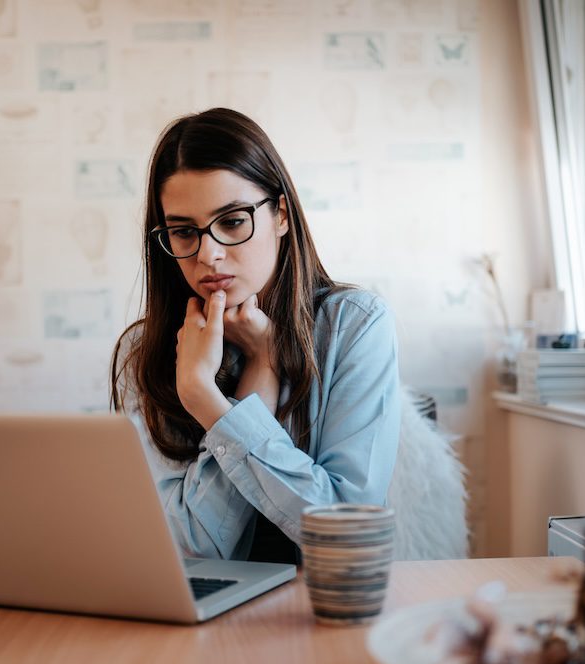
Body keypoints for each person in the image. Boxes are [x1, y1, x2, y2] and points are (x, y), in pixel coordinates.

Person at [111, 108, 401, 563]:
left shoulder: (355, 326)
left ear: (280, 214)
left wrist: (209, 403)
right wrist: (257, 381)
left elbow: (347, 534)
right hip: (200, 622)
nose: (209, 254)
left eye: (231, 221)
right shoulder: (143, 352)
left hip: (322, 611)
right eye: (184, 231)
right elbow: (191, 547)